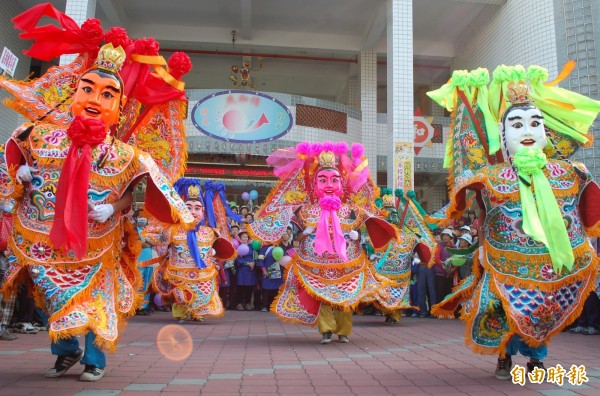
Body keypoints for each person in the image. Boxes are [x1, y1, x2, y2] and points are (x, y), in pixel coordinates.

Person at [0, 9, 194, 381]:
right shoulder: (38, 135)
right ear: (74, 92)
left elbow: (133, 197)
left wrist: (112, 208)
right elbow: (11, 161)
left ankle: (94, 359)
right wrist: (19, 173)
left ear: (120, 106)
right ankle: (65, 351)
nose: (94, 98)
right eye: (87, 88)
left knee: (95, 300)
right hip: (45, 241)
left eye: (107, 94)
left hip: (98, 241)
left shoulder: (125, 154)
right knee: (56, 299)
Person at [429, 65, 600, 380]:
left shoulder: (567, 171)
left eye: (535, 123)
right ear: (503, 134)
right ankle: (504, 357)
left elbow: (581, 210)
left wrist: (584, 242)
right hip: (503, 260)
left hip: (551, 261)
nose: (527, 131)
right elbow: (475, 211)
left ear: (545, 131)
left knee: (542, 310)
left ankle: (536, 359)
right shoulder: (491, 177)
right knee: (504, 310)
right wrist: (477, 247)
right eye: (517, 124)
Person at [250, 142, 397, 344]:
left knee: (344, 300)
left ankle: (343, 332)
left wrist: (357, 236)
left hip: (347, 265)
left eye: (334, 180)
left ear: (342, 183)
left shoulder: (352, 210)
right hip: (315, 265)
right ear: (314, 183)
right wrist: (304, 234)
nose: (329, 185)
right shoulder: (304, 210)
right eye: (323, 179)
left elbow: (371, 225)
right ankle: (326, 330)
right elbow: (291, 236)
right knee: (322, 298)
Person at [142, 179, 235, 324]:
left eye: (197, 208)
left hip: (202, 273)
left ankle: (197, 313)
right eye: (188, 207)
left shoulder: (211, 232)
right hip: (179, 273)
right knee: (180, 296)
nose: (193, 212)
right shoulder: (173, 230)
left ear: (203, 212)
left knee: (203, 295)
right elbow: (154, 238)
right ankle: (182, 313)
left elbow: (223, 247)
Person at [256, 245, 284, 312]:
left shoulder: (280, 248)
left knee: (276, 289)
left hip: (278, 273)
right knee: (266, 289)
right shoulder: (264, 249)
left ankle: (274, 306)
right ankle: (264, 306)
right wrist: (264, 270)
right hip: (267, 273)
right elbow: (260, 260)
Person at [235, 231, 257, 310]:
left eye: (246, 237)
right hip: (242, 269)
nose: (245, 238)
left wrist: (254, 262)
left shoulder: (251, 246)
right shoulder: (238, 246)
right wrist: (247, 263)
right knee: (241, 287)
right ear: (240, 239)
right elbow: (237, 258)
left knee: (249, 287)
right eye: (243, 237)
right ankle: (239, 303)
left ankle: (247, 303)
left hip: (251, 269)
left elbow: (255, 255)